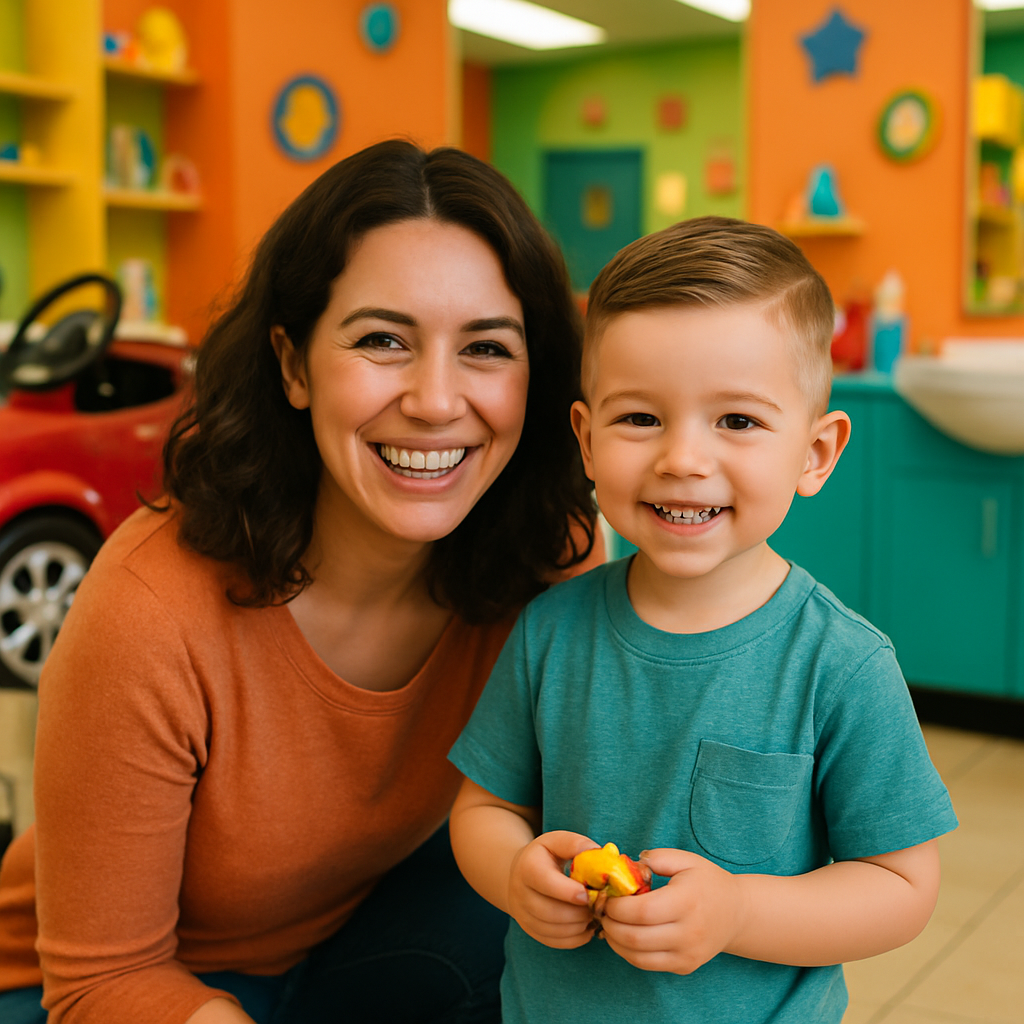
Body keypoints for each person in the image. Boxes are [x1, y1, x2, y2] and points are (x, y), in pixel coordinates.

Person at [0, 139, 601, 1024]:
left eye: (486, 348)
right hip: (107, 988)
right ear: (292, 365)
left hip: (341, 939)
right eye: (383, 340)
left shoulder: (545, 557)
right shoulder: (150, 608)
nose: (438, 400)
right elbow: (99, 983)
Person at [447, 216, 959, 1024]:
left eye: (738, 421)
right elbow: (483, 809)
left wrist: (741, 914)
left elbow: (901, 885)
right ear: (585, 440)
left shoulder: (842, 663)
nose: (683, 458)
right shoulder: (550, 629)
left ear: (815, 454)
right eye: (641, 418)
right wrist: (513, 871)